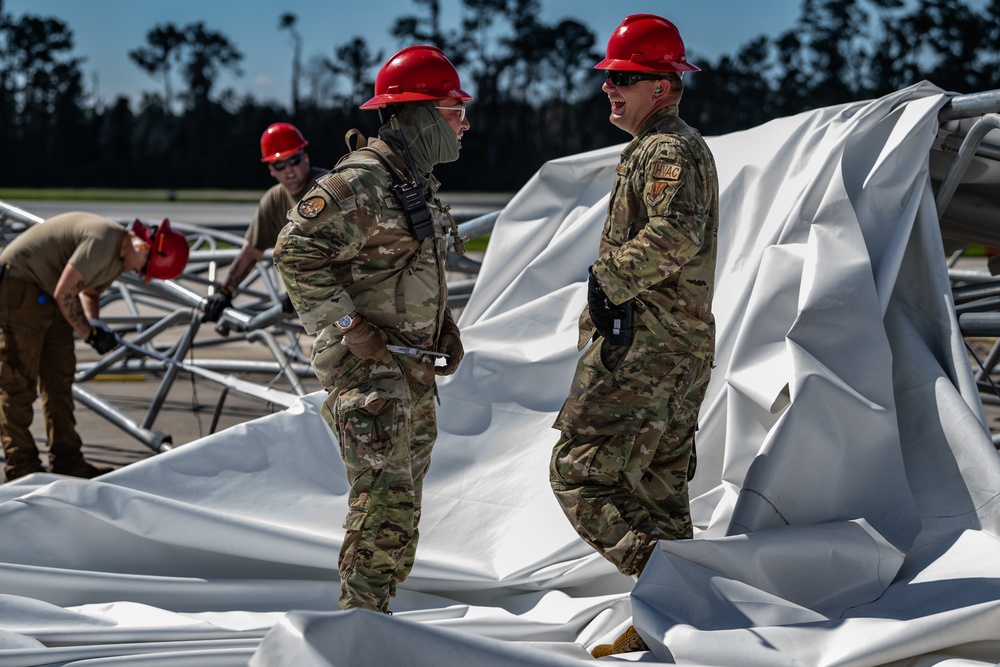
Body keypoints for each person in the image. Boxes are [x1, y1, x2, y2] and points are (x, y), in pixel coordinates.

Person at [274, 45, 471, 613]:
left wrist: (444, 327)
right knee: (381, 509)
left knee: (400, 510)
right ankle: (356, 630)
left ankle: (372, 621)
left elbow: (405, 266)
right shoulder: (361, 181)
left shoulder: (411, 178)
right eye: (454, 109)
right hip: (371, 375)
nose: (464, 123)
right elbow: (294, 251)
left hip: (409, 369)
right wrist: (347, 324)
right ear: (419, 114)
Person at [547, 14, 719, 657]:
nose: (609, 89)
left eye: (624, 77)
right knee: (659, 486)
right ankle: (674, 621)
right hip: (674, 344)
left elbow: (674, 236)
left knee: (578, 473)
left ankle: (671, 592)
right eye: (608, 78)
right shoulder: (664, 146)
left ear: (664, 85)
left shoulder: (666, 149)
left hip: (646, 345)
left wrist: (605, 280)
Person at [0, 212, 190, 481]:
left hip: (50, 294)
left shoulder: (118, 256)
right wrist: (89, 334)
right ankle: (21, 466)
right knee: (18, 382)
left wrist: (97, 324)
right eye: (144, 269)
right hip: (20, 285)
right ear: (144, 246)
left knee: (60, 381)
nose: (142, 276)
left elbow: (89, 292)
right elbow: (66, 292)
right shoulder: (103, 242)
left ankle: (67, 461)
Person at [203, 122, 327, 322]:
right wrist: (225, 291)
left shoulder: (326, 187)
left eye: (294, 160)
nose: (289, 170)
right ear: (271, 169)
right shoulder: (273, 200)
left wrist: (306, 285)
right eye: (280, 164)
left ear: (305, 156)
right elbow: (252, 251)